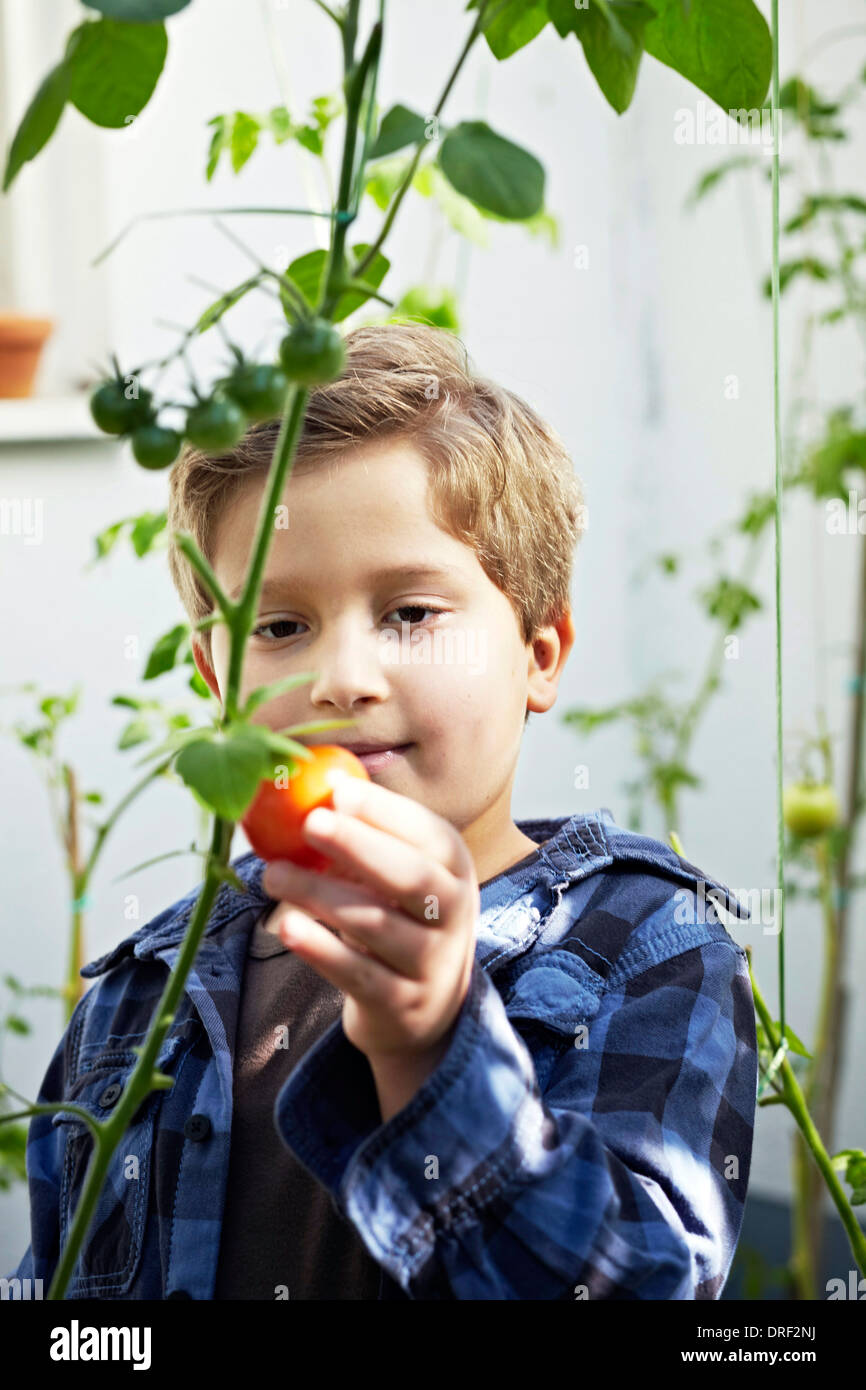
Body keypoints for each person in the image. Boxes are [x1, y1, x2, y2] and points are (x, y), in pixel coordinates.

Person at [11, 322, 757, 1300]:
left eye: (409, 612)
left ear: (539, 652)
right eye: (279, 626)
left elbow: (631, 1287)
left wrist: (430, 1044)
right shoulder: (138, 994)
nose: (343, 680)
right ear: (212, 677)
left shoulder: (643, 940)